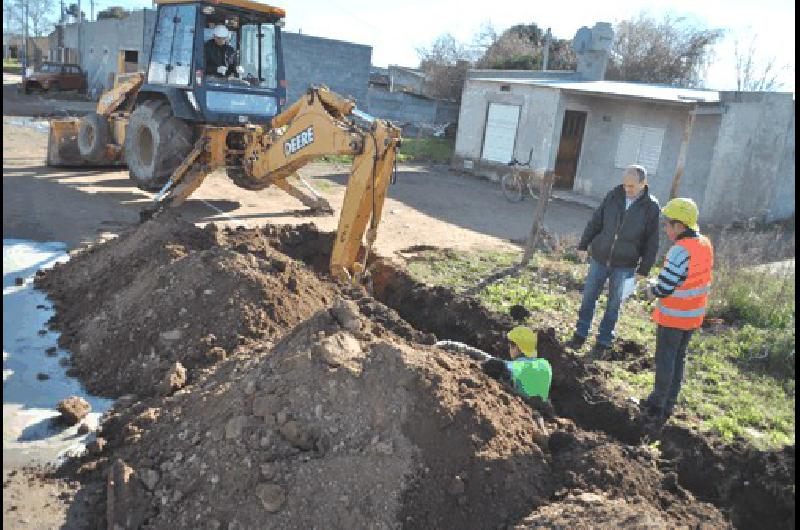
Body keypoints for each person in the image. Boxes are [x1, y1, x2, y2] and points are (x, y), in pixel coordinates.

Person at [566, 165, 661, 355]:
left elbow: (652, 241)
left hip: (625, 265)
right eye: (625, 184)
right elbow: (596, 221)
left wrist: (644, 269)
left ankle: (603, 342)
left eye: (632, 186)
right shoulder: (613, 196)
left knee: (614, 305)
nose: (627, 189)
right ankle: (580, 335)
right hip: (600, 258)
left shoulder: (651, 207)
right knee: (588, 299)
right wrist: (583, 245)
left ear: (644, 184)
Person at [640, 198, 714, 420]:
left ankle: (656, 403)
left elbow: (665, 286)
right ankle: (669, 401)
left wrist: (650, 290)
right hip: (693, 314)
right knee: (679, 357)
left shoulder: (680, 250)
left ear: (680, 226)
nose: (665, 228)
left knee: (665, 358)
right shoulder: (704, 244)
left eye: (668, 224)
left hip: (674, 316)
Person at [435, 326, 552, 400]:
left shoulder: (513, 367)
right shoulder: (546, 366)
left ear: (518, 348)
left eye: (511, 345)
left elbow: (496, 366)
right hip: (542, 411)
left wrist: (452, 346)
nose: (509, 348)